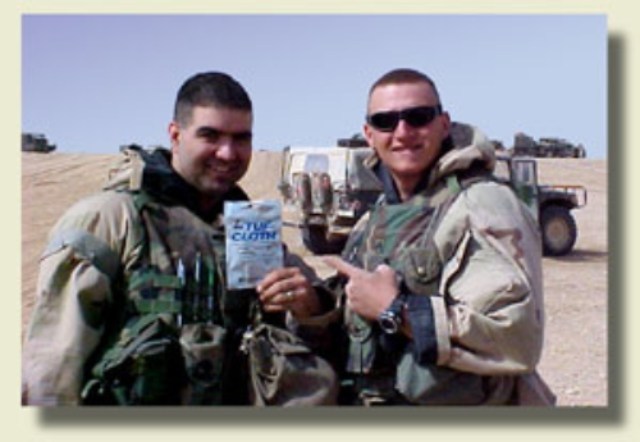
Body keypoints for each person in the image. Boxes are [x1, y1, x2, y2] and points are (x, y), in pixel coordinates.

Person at [22, 72, 326, 406]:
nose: (227, 153)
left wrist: (308, 306)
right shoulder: (110, 219)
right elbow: (53, 365)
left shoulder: (248, 227)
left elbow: (308, 334)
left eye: (241, 139)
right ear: (175, 135)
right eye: (210, 136)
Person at [302, 68, 555, 405]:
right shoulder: (374, 218)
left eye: (418, 117)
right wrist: (310, 305)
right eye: (385, 122)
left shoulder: (481, 204)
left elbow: (517, 340)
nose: (403, 132)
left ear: (443, 124)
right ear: (369, 135)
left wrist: (396, 310)